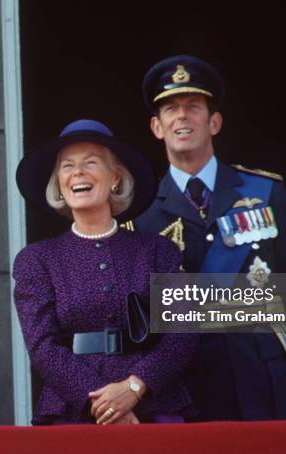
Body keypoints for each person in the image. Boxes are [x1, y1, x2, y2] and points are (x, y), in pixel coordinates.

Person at [134, 55, 286, 421]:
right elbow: (145, 314)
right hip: (185, 385)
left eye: (193, 106)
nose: (181, 116)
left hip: (262, 375)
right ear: (156, 126)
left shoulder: (265, 191)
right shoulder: (141, 213)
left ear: (214, 122)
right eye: (170, 109)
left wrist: (284, 360)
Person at [13, 119, 197, 425]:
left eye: (91, 162)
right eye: (67, 166)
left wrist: (135, 387)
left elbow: (184, 333)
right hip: (75, 409)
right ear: (58, 182)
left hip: (153, 402)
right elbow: (42, 347)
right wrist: (105, 403)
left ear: (115, 177)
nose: (77, 173)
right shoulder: (37, 260)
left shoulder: (158, 251)